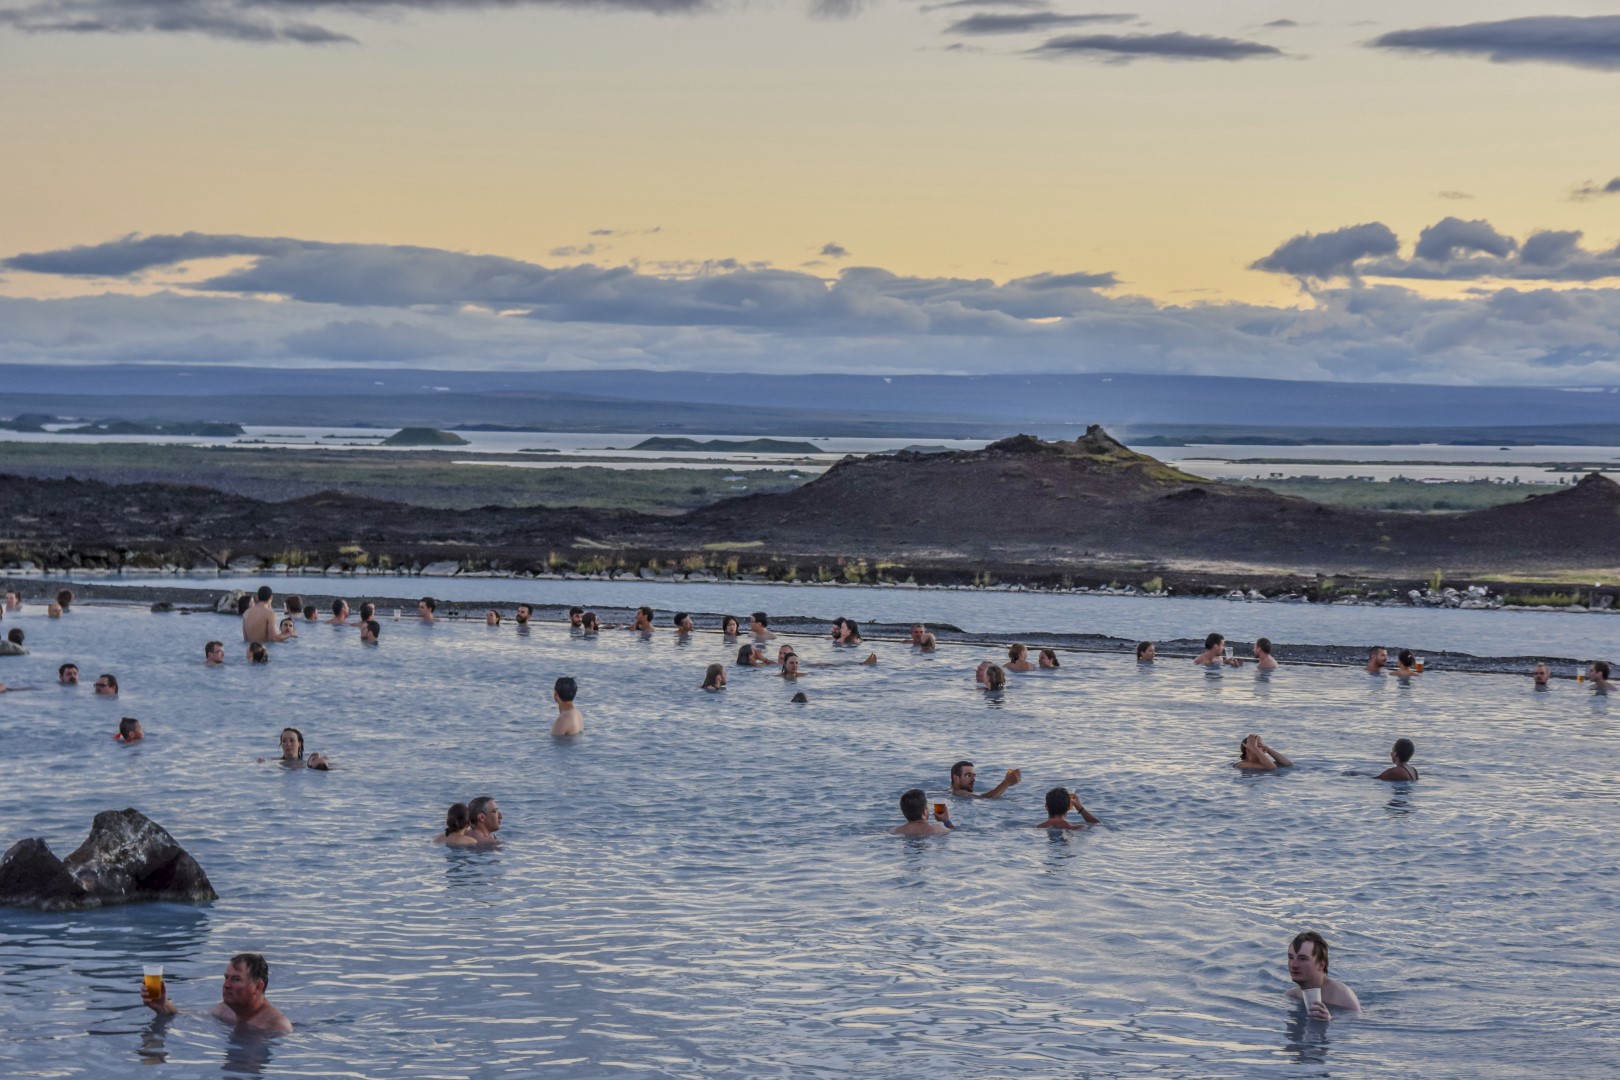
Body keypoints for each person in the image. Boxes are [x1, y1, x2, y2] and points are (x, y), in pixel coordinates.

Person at [142, 952, 293, 1033]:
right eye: (226, 978)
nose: (226, 985)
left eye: (235, 979)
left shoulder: (277, 1026)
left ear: (258, 987)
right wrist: (163, 1005)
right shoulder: (226, 1009)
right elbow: (188, 1015)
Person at [1285, 931, 1361, 1020]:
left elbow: (1359, 1023)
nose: (1294, 965)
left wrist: (1331, 1019)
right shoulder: (1292, 995)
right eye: (1291, 957)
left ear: (1321, 965)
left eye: (1303, 959)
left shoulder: (1344, 998)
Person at [261, 727, 328, 770]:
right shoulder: (274, 762)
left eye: (292, 740)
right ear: (281, 744)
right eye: (284, 741)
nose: (288, 744)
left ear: (299, 744)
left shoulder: (307, 763)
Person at [1034, 787, 1100, 829]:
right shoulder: (1077, 828)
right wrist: (1080, 808)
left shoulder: (1037, 828)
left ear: (1046, 806)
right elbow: (1097, 824)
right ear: (1069, 807)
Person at [950, 760, 1021, 798]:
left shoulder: (949, 791)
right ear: (956, 778)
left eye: (974, 776)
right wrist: (1007, 782)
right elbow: (986, 798)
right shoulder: (960, 792)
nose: (973, 779)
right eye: (968, 775)